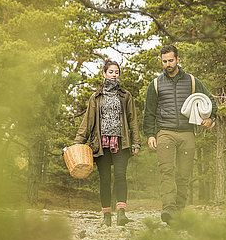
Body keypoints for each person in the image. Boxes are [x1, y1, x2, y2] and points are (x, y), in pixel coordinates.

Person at [142, 45, 217, 224]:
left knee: (184, 175)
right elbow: (149, 112)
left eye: (171, 60)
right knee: (167, 171)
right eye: (164, 61)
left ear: (177, 59)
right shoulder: (155, 84)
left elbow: (211, 100)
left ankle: (180, 212)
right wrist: (150, 134)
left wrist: (210, 118)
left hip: (187, 133)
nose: (168, 64)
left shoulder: (192, 81)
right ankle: (168, 209)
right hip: (165, 132)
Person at [74, 59, 141, 226]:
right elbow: (87, 122)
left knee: (120, 176)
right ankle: (106, 215)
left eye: (116, 72)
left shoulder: (126, 96)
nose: (114, 75)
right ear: (104, 73)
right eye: (111, 72)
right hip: (100, 144)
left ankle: (121, 213)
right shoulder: (95, 97)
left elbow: (133, 120)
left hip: (121, 142)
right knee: (104, 179)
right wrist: (77, 143)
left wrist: (136, 142)